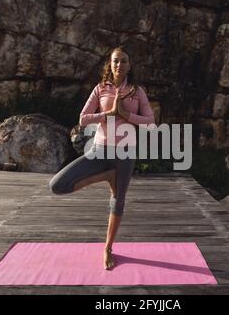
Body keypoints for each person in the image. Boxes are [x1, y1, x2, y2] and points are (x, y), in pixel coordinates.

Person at [48, 46, 155, 270]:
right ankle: (106, 175)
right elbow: (83, 118)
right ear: (110, 64)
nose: (119, 65)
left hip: (125, 154)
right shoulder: (100, 89)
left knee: (118, 201)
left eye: (124, 61)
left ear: (129, 65)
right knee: (57, 185)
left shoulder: (137, 92)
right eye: (116, 61)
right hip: (99, 150)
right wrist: (107, 114)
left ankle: (108, 248)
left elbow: (150, 122)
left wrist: (126, 115)